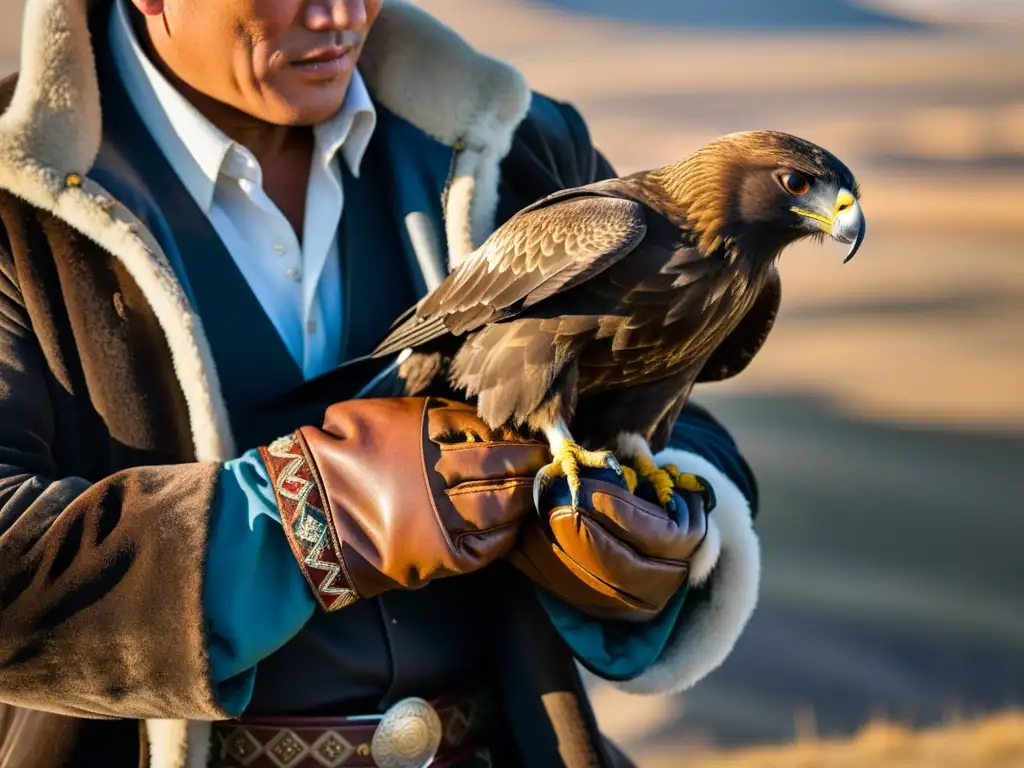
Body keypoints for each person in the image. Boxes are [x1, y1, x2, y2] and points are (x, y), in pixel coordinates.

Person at [0, 0, 763, 766]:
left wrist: (662, 526)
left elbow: (668, 407)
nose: (341, 13)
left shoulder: (516, 141)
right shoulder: (14, 187)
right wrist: (309, 518)